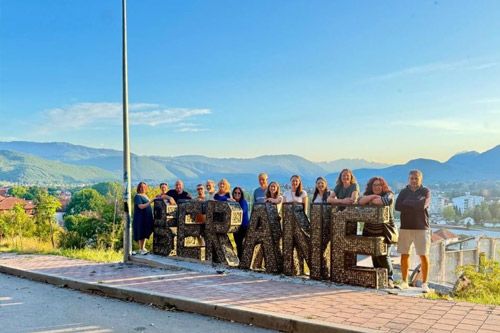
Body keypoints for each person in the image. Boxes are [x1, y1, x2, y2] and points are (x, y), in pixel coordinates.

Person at [395, 169, 431, 293]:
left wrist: (408, 203)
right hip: (405, 227)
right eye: (412, 178)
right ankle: (404, 282)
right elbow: (397, 206)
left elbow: (423, 206)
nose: (414, 180)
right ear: (408, 179)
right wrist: (415, 204)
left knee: (424, 255)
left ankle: (425, 284)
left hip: (422, 227)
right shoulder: (404, 192)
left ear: (420, 179)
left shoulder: (425, 191)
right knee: (404, 255)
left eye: (416, 178)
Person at [359, 177, 397, 288]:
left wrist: (370, 199)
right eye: (374, 185)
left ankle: (389, 279)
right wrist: (372, 196)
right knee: (374, 256)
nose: (377, 187)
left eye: (379, 185)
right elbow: (360, 201)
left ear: (383, 186)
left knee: (384, 256)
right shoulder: (368, 194)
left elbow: (382, 201)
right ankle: (379, 279)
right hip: (371, 231)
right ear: (371, 186)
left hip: (385, 231)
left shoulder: (389, 194)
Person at [133, 182, 154, 255]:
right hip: (140, 217)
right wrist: (151, 201)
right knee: (141, 232)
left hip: (146, 217)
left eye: (144, 187)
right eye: (141, 187)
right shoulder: (137, 196)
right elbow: (140, 206)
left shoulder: (145, 195)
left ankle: (143, 247)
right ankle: (141, 248)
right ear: (139, 188)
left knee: (145, 232)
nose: (143, 188)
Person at [232, 187, 249, 259]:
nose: (237, 194)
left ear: (241, 194)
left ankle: (242, 259)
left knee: (241, 244)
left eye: (239, 193)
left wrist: (234, 203)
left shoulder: (243, 202)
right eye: (235, 193)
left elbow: (242, 211)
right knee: (237, 244)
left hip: (243, 227)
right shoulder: (232, 202)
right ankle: (240, 259)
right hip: (235, 227)